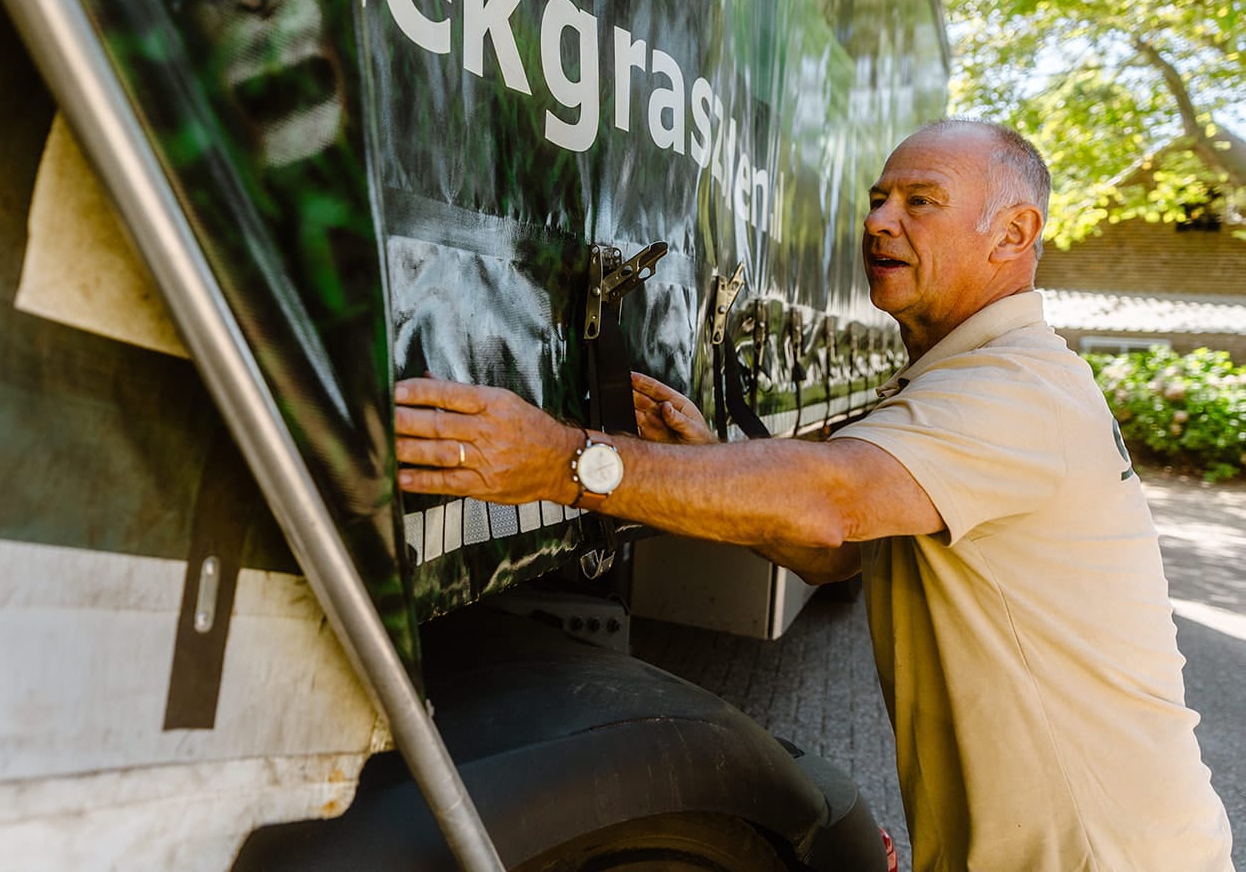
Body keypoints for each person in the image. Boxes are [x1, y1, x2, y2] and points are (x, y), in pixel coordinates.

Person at [393, 118, 1234, 870]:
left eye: (920, 201)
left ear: (1014, 232)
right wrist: (714, 463)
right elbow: (838, 551)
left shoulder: (1018, 388)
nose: (878, 221)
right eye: (877, 198)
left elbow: (834, 498)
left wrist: (564, 464)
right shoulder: (964, 379)